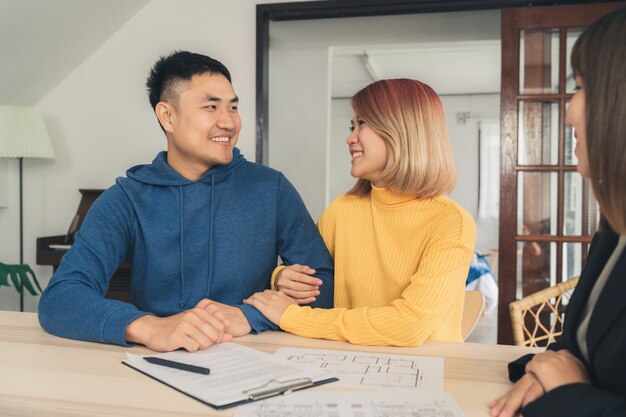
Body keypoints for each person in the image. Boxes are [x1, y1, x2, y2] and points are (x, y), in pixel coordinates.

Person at [38, 51, 333, 352]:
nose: (229, 122)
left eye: (233, 107)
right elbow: (60, 298)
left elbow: (325, 285)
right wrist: (148, 327)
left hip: (256, 355)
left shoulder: (272, 188)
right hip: (160, 363)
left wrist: (252, 315)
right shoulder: (126, 199)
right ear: (167, 116)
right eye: (211, 107)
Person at [244, 78, 476, 346]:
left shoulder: (450, 222)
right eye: (352, 126)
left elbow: (408, 325)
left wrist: (292, 317)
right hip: (349, 363)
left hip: (427, 371)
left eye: (362, 123)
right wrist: (281, 277)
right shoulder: (341, 210)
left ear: (401, 130)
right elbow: (318, 282)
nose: (350, 137)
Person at [489, 7, 626, 417]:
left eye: (582, 88)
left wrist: (570, 391)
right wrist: (544, 369)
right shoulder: (612, 232)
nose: (567, 111)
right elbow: (577, 346)